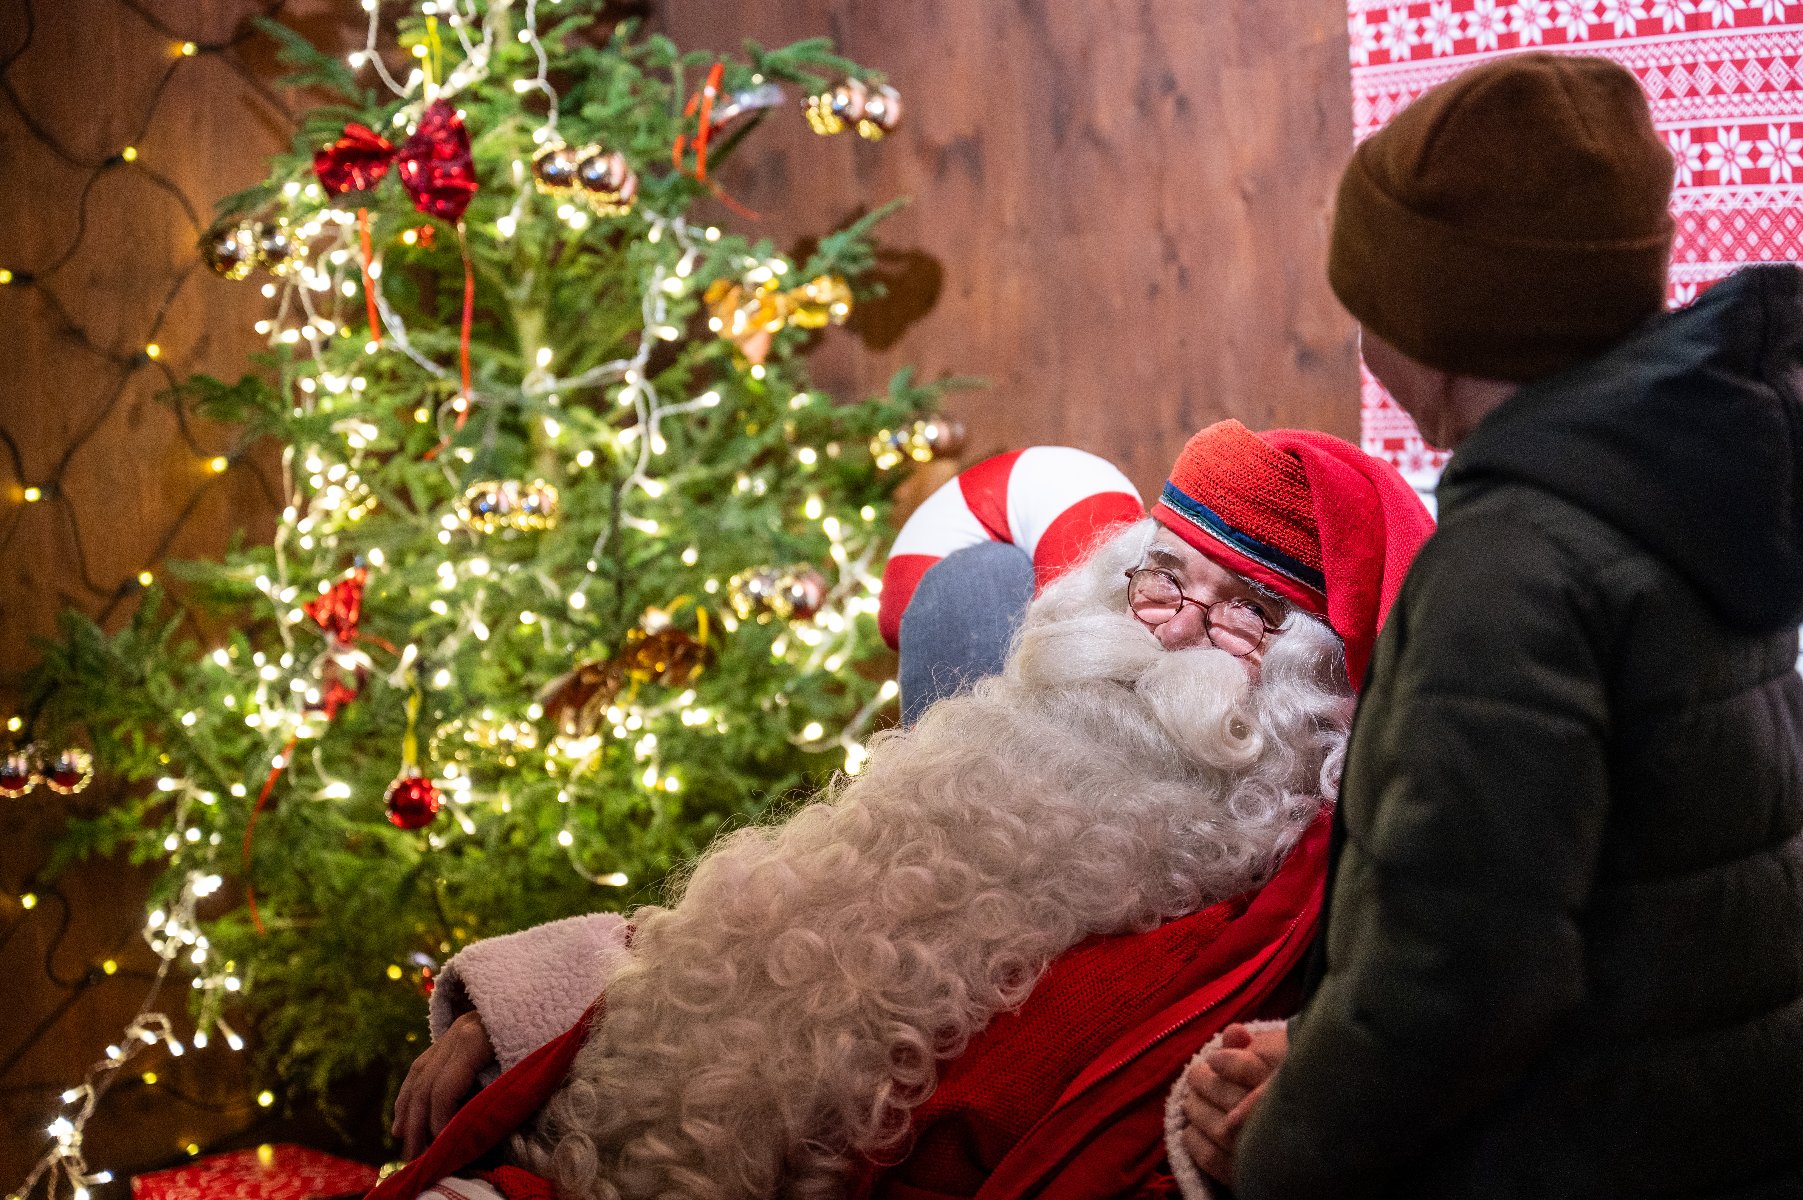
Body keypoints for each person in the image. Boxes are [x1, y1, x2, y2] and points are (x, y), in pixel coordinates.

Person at [372, 421, 1431, 1200]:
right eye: (1164, 582)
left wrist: (1253, 1138)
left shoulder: (1272, 927)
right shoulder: (999, 746)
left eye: (1245, 615)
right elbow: (763, 941)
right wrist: (511, 1020)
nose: (1177, 630)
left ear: (1311, 685)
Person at [1175, 53, 1803, 1200]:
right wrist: (1326, 1054)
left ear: (1436, 321)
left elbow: (1460, 975)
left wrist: (1282, 1153)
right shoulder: (1698, 492)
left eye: (1368, 308)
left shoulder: (1511, 569)